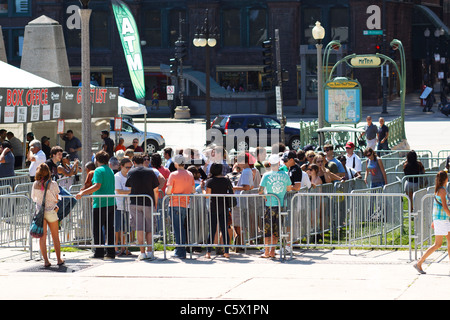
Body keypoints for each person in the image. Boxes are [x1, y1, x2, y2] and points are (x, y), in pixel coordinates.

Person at [75, 150, 116, 260]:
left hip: (100, 203)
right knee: (109, 228)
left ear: (97, 160)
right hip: (111, 202)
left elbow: (97, 186)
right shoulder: (110, 170)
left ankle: (99, 252)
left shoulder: (98, 170)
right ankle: (111, 252)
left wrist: (82, 192)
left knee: (97, 228)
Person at [413, 171, 450, 274]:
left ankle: (419, 263)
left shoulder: (440, 190)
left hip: (442, 219)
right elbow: (445, 207)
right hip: (441, 220)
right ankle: (419, 263)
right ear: (445, 179)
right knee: (437, 244)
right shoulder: (442, 191)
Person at [125, 154, 160, 260]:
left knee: (139, 228)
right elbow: (156, 188)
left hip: (135, 203)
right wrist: (155, 203)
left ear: (134, 162)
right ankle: (150, 252)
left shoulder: (131, 172)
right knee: (149, 228)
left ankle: (142, 253)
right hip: (148, 202)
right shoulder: (150, 171)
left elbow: (129, 187)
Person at [30, 163, 64, 268]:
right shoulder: (52, 184)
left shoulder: (35, 184)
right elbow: (57, 196)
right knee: (55, 237)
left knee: (42, 237)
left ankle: (46, 261)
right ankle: (58, 259)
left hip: (40, 212)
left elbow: (33, 198)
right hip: (51, 211)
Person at [259, 154, 292, 258]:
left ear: (269, 164)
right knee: (277, 229)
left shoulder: (266, 175)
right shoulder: (285, 175)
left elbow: (260, 191)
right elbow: (289, 189)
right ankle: (273, 251)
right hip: (280, 204)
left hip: (269, 205)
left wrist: (265, 196)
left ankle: (267, 251)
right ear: (279, 163)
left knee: (267, 229)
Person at [165, 155, 195, 259]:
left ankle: (180, 251)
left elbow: (168, 191)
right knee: (181, 227)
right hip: (185, 204)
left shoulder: (173, 174)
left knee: (178, 229)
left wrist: (167, 192)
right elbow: (193, 190)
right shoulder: (190, 174)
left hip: (174, 203)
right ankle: (180, 250)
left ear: (176, 163)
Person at [204, 163, 234, 259]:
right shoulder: (226, 180)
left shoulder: (210, 181)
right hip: (224, 207)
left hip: (213, 207)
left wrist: (202, 189)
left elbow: (207, 195)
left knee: (212, 230)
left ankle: (208, 252)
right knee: (224, 229)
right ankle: (226, 252)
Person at [114, 158, 132, 256]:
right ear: (121, 166)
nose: (129, 169)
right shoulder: (117, 176)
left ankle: (124, 248)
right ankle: (116, 248)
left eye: (130, 167)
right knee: (117, 228)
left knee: (126, 228)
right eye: (127, 167)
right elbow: (119, 191)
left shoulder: (131, 176)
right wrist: (131, 191)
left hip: (128, 205)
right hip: (119, 204)